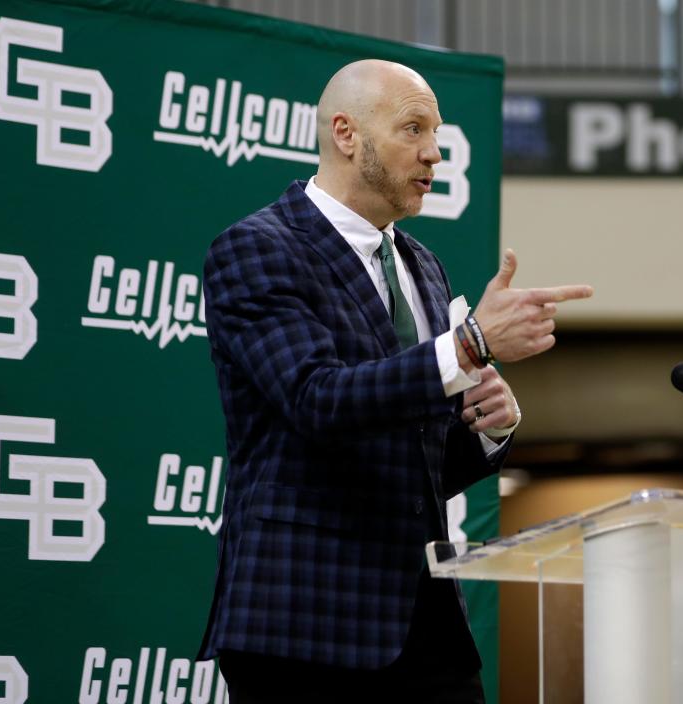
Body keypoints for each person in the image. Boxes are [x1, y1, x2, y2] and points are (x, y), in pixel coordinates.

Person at [197, 59, 592, 703]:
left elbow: (417, 462)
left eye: (436, 133)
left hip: (426, 623)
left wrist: (490, 428)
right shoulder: (256, 247)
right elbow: (316, 400)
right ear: (347, 134)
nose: (434, 153)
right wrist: (470, 346)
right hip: (305, 622)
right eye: (413, 129)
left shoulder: (422, 266)